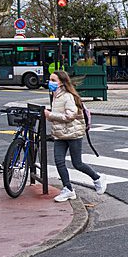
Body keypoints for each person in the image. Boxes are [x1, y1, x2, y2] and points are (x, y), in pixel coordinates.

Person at [46, 70, 105, 201]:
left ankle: (98, 178)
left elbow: (70, 116)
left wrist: (50, 115)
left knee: (77, 163)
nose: (50, 82)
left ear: (61, 82)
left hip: (73, 134)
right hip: (60, 134)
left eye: (54, 80)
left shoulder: (67, 96)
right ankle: (68, 189)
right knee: (59, 161)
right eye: (50, 79)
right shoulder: (56, 95)